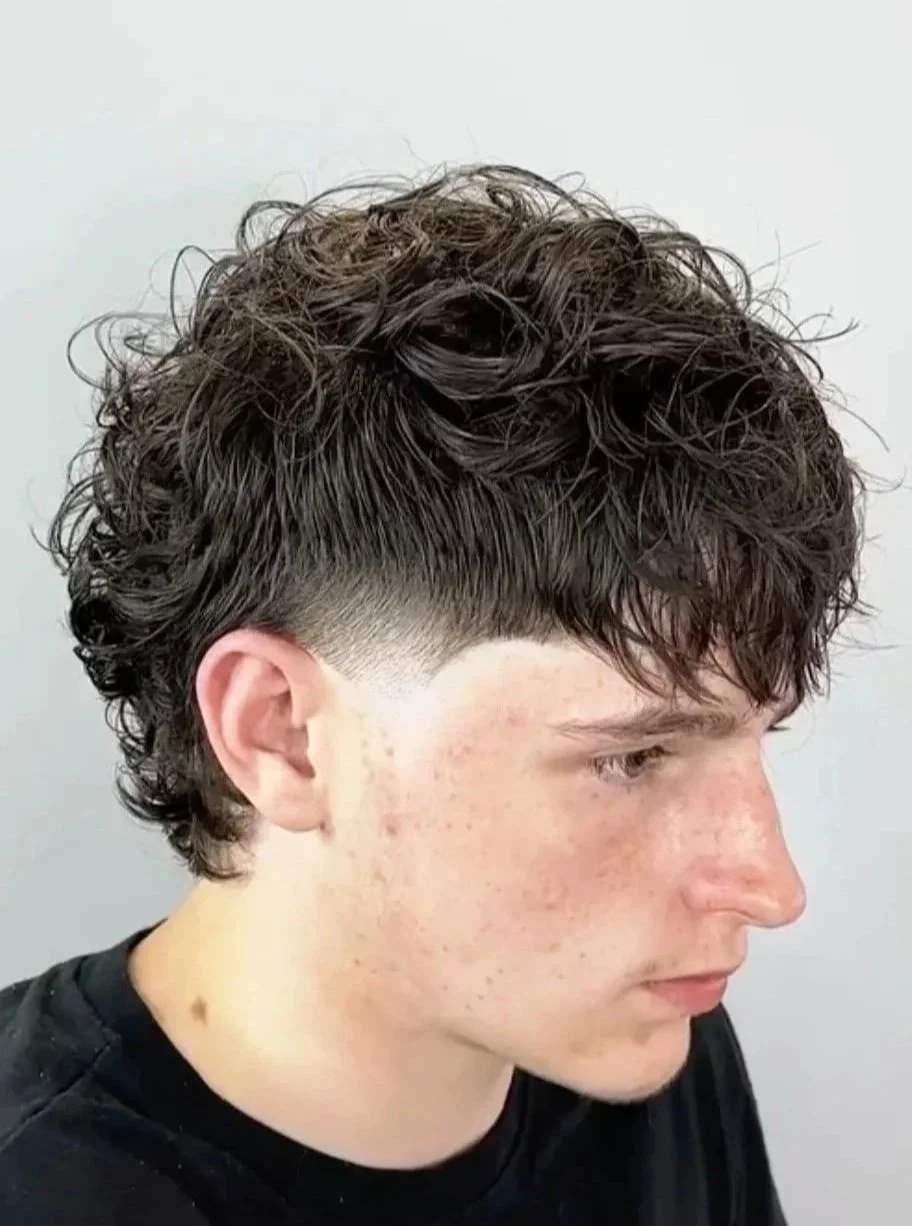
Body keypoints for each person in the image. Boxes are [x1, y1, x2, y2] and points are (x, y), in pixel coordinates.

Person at [0, 165, 863, 1225]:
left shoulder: (642, 1038)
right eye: (631, 758)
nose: (769, 887)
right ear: (282, 733)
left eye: (754, 738)